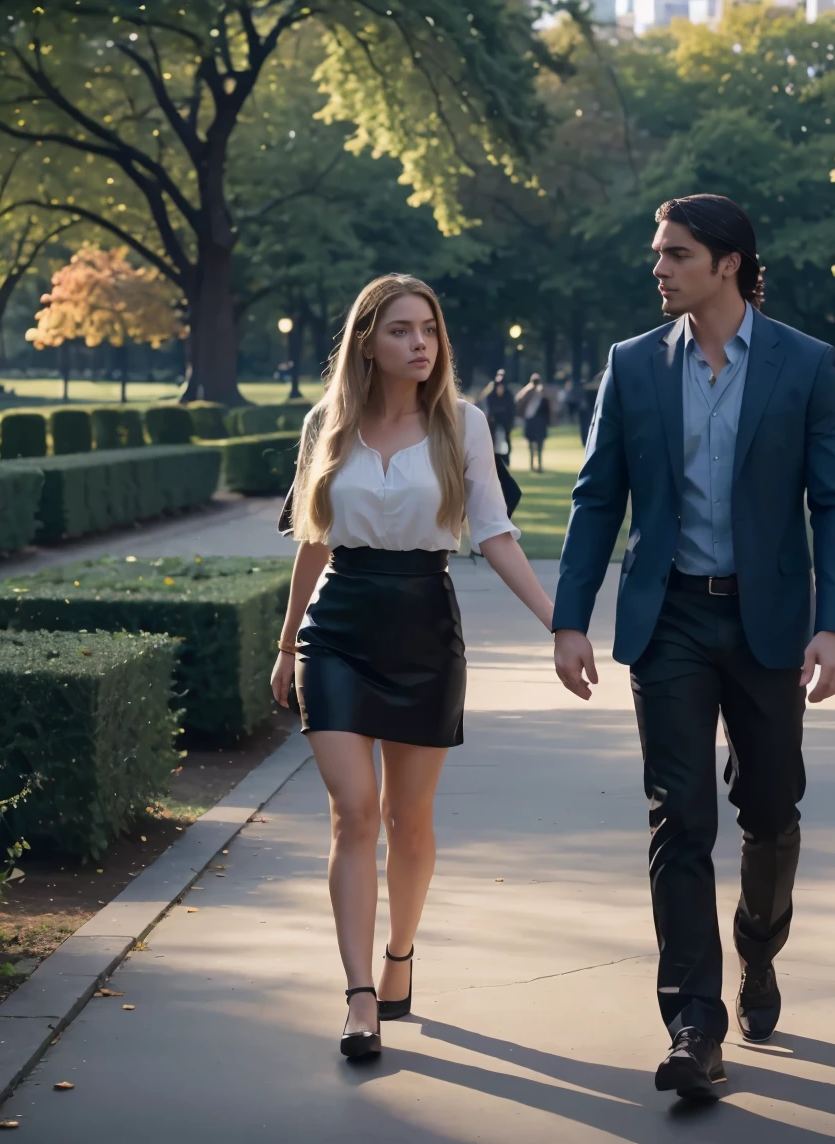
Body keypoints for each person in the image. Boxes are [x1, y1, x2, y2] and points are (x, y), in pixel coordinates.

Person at [550, 193, 835, 1101]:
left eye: (676, 254)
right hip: (671, 619)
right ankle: (694, 1026)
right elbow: (595, 496)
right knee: (679, 819)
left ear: (728, 263)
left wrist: (833, 624)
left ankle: (758, 950)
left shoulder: (805, 366)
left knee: (769, 808)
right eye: (659, 253)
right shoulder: (633, 365)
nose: (659, 268)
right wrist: (571, 616)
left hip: (769, 626)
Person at [269, 274, 555, 1061]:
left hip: (426, 628)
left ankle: (400, 957)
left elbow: (493, 532)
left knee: (409, 821)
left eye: (428, 329)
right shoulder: (326, 424)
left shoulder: (461, 424)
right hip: (340, 625)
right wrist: (289, 641)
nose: (420, 343)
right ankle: (359, 993)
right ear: (368, 340)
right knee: (354, 811)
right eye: (400, 330)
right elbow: (312, 540)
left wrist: (558, 621)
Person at [516, 373, 555, 473]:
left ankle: (534, 465)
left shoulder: (527, 391)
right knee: (539, 445)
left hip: (532, 421)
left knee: (532, 445)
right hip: (539, 422)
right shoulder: (540, 392)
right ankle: (537, 465)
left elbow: (519, 403)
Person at [482, 371, 516, 467]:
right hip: (494, 421)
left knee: (506, 440)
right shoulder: (491, 395)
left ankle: (506, 460)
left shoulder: (508, 395)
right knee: (493, 442)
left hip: (505, 421)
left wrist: (510, 421)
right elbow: (489, 407)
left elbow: (512, 409)